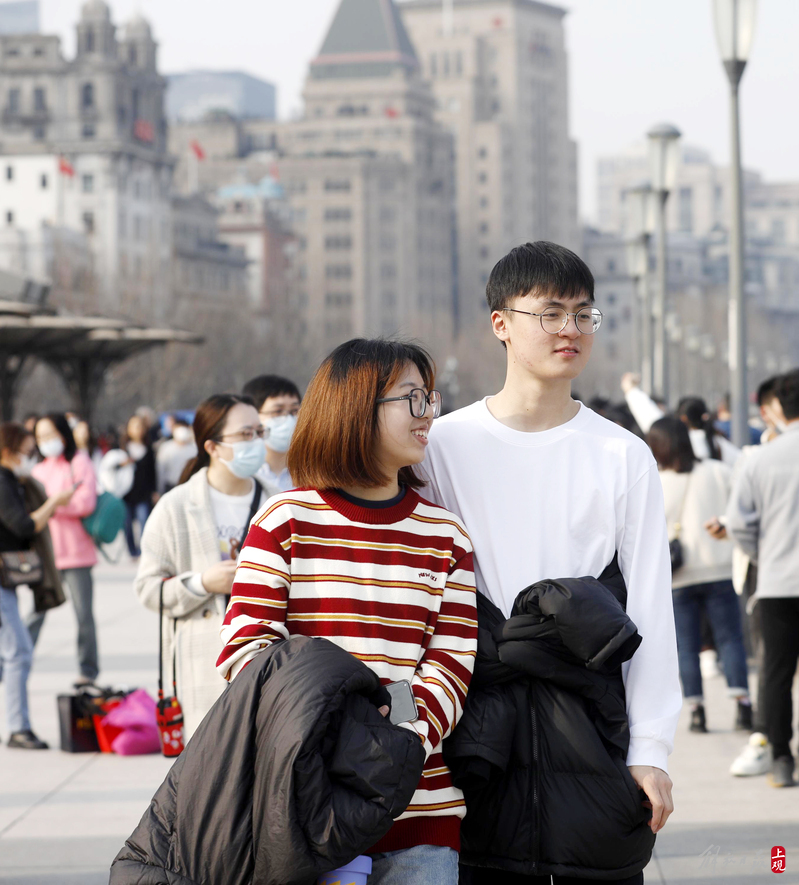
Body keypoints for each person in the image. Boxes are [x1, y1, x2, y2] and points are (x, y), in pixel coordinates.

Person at [421, 242, 681, 884]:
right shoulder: (442, 445)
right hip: (474, 725)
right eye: (551, 312)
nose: (570, 329)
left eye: (583, 313)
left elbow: (649, 607)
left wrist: (651, 751)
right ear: (500, 323)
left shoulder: (621, 454)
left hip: (589, 725)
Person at [218, 339, 478, 885]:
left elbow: (451, 664)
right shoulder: (285, 521)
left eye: (429, 398)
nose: (428, 413)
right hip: (305, 808)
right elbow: (247, 649)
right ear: (355, 409)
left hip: (419, 812)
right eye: (411, 399)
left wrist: (390, 737)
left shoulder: (444, 534)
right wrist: (332, 732)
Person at [134, 394, 278, 738]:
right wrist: (201, 583)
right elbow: (147, 588)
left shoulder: (276, 502)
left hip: (267, 665)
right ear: (212, 446)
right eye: (245, 435)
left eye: (260, 432)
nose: (256, 442)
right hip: (202, 665)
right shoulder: (176, 506)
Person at [646, 416, 751, 733]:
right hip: (719, 570)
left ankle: (696, 711)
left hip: (679, 577)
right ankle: (743, 706)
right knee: (731, 640)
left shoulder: (656, 481)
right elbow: (737, 511)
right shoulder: (717, 472)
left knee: (686, 647)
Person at [726, 368, 799, 788]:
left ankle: (782, 758)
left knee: (775, 673)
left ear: (777, 409)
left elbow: (738, 524)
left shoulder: (761, 458)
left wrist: (763, 555)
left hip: (776, 583)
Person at [0, 422, 73, 748]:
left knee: (15, 652)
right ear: (9, 450)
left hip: (7, 581)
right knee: (19, 652)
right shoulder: (3, 482)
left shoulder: (13, 481)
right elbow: (24, 524)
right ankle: (18, 727)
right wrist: (54, 503)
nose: (33, 457)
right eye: (28, 451)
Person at [29, 413, 100, 686]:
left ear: (63, 434)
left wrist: (52, 506)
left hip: (77, 553)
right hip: (46, 554)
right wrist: (58, 502)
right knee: (35, 613)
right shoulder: (37, 469)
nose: (46, 442)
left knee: (84, 616)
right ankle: (12, 661)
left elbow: (86, 503)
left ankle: (88, 669)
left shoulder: (79, 462)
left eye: (50, 435)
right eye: (40, 438)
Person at [242, 374, 301, 491]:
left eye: (294, 411)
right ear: (252, 414)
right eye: (277, 411)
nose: (288, 419)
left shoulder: (313, 473)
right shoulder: (243, 473)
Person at [122, 414, 157, 559]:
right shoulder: (122, 449)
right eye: (134, 426)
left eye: (140, 426)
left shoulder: (149, 449)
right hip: (125, 494)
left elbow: (152, 472)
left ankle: (143, 550)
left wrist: (154, 491)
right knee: (127, 524)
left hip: (143, 493)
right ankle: (132, 551)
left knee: (144, 521)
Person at [155, 417, 197, 495]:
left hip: (188, 487)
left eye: (183, 428)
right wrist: (159, 490)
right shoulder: (166, 447)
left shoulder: (194, 449)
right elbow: (160, 471)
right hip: (170, 486)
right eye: (178, 428)